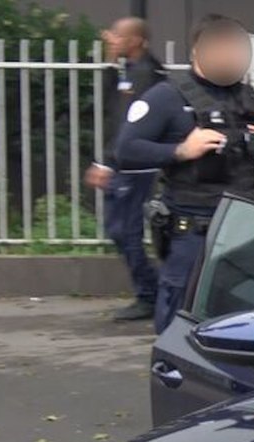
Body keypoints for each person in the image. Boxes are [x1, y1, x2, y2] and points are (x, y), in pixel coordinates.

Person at [115, 14, 254, 333]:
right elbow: (127, 150)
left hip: (242, 232)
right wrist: (180, 151)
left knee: (252, 326)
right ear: (197, 52)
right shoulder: (168, 96)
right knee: (180, 330)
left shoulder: (247, 98)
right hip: (193, 234)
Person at [84, 17, 166, 322]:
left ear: (136, 40)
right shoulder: (132, 70)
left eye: (118, 36)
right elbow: (111, 106)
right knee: (120, 231)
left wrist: (106, 163)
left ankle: (150, 294)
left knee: (124, 231)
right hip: (125, 164)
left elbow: (126, 124)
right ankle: (153, 291)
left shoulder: (146, 74)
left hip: (134, 167)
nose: (112, 39)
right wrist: (109, 61)